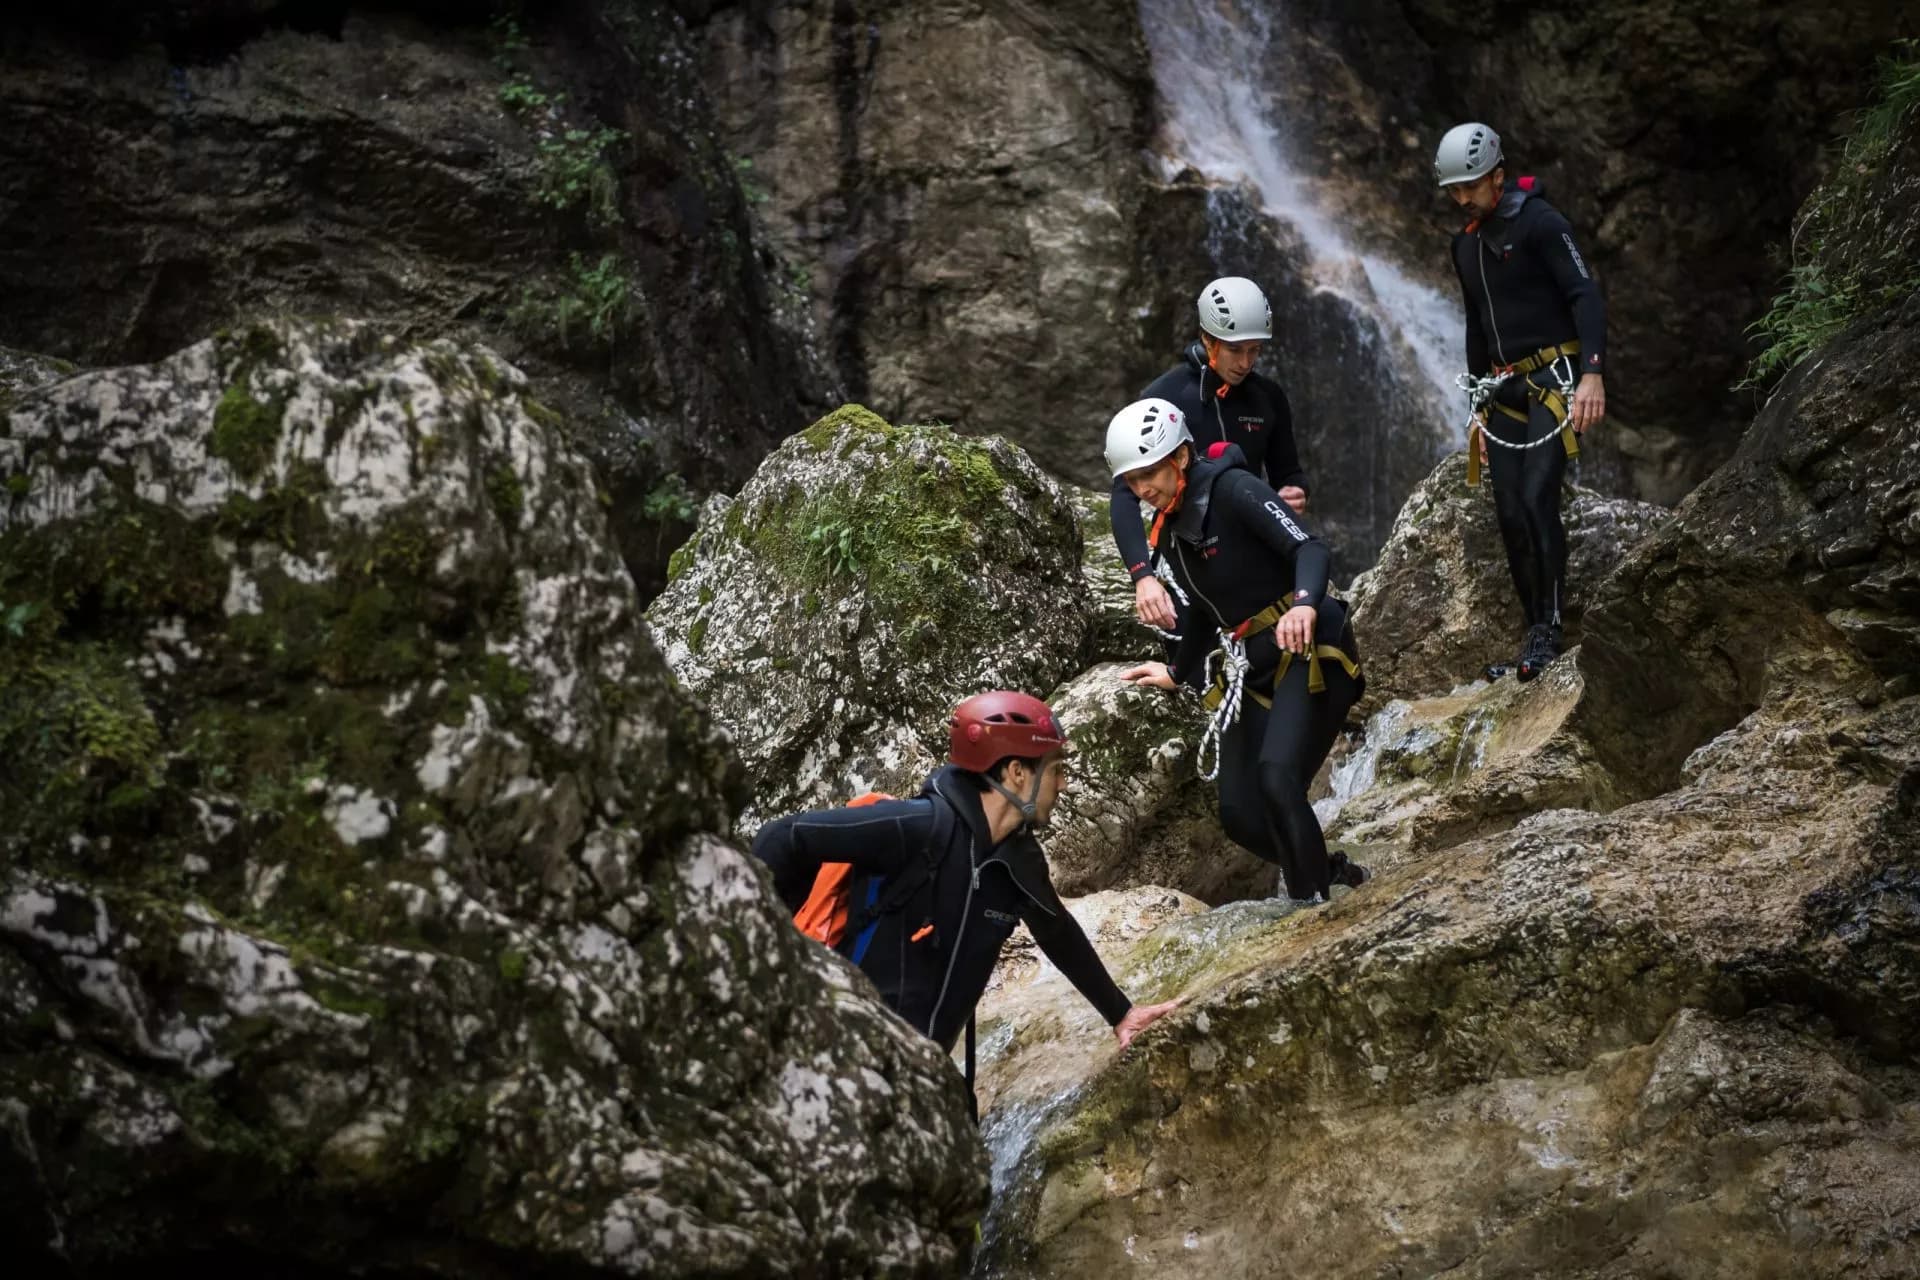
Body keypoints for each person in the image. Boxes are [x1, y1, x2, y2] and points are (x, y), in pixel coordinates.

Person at [753, 691, 1180, 1057]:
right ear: (1017, 773)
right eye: (1056, 770)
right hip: (840, 1051)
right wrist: (770, 950)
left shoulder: (1020, 862)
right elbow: (783, 838)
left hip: (921, 1074)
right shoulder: (915, 828)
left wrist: (1121, 1014)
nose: (1064, 785)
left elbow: (1058, 934)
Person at [1108, 399, 1370, 905]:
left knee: (1277, 779)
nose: (1142, 489)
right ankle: (1328, 873)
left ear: (1180, 458)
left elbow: (1310, 548)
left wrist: (1303, 606)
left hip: (1313, 647)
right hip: (1257, 663)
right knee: (1240, 815)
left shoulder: (1233, 489)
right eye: (1133, 481)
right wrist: (1178, 674)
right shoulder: (1173, 527)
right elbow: (1207, 611)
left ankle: (1311, 910)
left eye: (1149, 474)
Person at [1435, 121, 1608, 682]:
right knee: (1508, 512)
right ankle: (1533, 631)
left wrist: (1593, 375)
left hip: (1556, 379)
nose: (1462, 197)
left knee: (1537, 497)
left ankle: (1550, 629)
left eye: (1471, 186)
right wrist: (1476, 411)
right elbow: (1475, 331)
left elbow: (1585, 294)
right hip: (1502, 391)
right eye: (1454, 189)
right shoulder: (1465, 246)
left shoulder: (1541, 224)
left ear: (1499, 176)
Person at [1111, 276, 1310, 637]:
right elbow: (1125, 493)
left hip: (1254, 543)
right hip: (1188, 550)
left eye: (1255, 350)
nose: (1246, 362)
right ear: (1207, 338)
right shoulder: (1164, 398)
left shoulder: (1268, 398)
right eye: (1236, 350)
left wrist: (1293, 493)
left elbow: (1288, 472)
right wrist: (1142, 576)